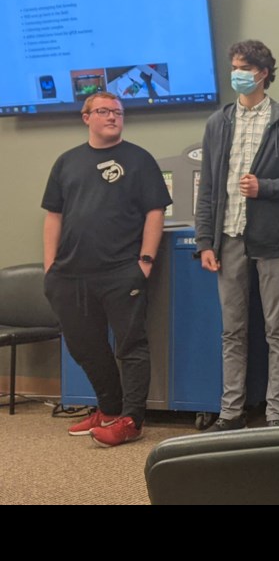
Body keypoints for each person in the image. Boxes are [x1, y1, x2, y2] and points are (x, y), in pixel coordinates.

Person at [195, 39, 279, 431]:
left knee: (276, 329)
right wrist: (204, 242)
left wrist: (265, 187)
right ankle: (231, 412)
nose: (237, 74)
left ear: (262, 73)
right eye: (234, 66)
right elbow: (209, 188)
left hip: (273, 240)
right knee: (232, 329)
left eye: (244, 67)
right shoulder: (218, 122)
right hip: (227, 238)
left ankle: (276, 415)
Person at [42, 92, 172, 447]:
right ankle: (109, 409)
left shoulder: (139, 159)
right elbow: (54, 215)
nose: (112, 116)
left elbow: (155, 212)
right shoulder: (67, 162)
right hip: (70, 274)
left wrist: (145, 262)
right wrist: (50, 266)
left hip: (121, 270)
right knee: (84, 346)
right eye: (103, 111)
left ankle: (132, 420)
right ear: (86, 117)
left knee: (131, 345)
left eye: (118, 111)